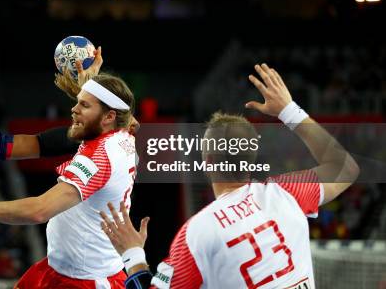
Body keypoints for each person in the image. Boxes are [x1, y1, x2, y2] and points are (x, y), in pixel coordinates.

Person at [99, 63, 360, 289]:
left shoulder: (196, 234)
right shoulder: (287, 193)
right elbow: (345, 168)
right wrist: (289, 110)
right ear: (252, 158)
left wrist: (133, 254)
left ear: (207, 161)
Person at [0, 73, 137, 288]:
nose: (73, 108)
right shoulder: (122, 134)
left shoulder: (99, 158)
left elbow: (38, 210)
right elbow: (125, 114)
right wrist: (89, 85)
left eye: (84, 104)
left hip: (85, 281)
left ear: (108, 117)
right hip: (57, 268)